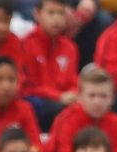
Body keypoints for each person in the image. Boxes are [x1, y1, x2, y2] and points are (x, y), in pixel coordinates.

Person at [39, 66, 117, 152]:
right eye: (92, 96)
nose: (97, 102)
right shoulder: (68, 119)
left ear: (112, 99)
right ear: (80, 97)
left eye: (103, 96)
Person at [21, 0, 79, 129]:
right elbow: (27, 87)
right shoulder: (26, 44)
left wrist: (74, 94)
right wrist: (59, 96)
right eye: (51, 13)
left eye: (61, 13)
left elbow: (73, 80)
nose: (57, 19)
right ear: (37, 14)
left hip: (63, 99)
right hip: (38, 100)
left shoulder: (70, 47)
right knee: (54, 108)